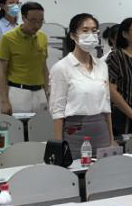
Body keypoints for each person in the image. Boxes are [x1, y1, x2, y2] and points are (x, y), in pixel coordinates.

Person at [48, 13, 113, 156]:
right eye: (85, 30)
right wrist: (59, 147)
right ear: (73, 35)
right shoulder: (61, 68)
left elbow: (106, 105)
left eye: (94, 31)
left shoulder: (102, 65)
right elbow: (57, 111)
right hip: (75, 132)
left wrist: (111, 139)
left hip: (101, 130)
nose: (91, 35)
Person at [0, 1, 49, 115]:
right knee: (20, 125)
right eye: (33, 20)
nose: (37, 25)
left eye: (41, 21)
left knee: (42, 125)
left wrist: (48, 92)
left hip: (40, 93)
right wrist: (4, 101)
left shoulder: (43, 37)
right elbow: (1, 72)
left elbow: (44, 67)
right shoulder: (8, 38)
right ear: (24, 18)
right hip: (19, 92)